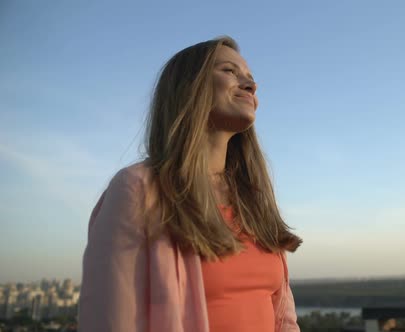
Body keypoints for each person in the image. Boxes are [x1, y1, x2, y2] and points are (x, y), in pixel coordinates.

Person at [78, 36, 302, 332]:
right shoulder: (137, 190)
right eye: (229, 71)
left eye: (250, 77)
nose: (251, 85)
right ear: (189, 87)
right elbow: (110, 322)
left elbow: (284, 319)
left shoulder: (253, 199)